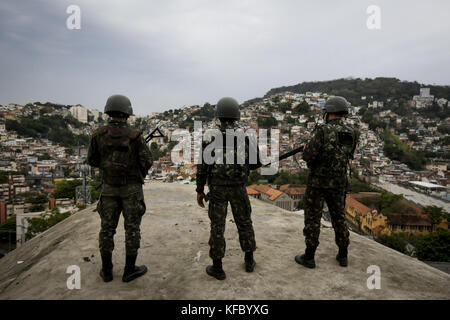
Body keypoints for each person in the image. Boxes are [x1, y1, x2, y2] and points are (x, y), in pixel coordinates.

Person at [87, 94, 153, 282]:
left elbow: (92, 160)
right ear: (127, 112)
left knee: (107, 229)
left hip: (108, 189)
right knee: (132, 230)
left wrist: (108, 165)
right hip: (131, 190)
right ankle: (129, 270)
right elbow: (147, 160)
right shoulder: (135, 136)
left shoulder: (98, 134)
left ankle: (107, 271)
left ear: (109, 111)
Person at [196, 97, 260, 280]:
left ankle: (218, 267)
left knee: (217, 227)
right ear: (236, 115)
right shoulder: (247, 136)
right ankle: (249, 261)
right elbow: (255, 164)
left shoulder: (210, 137)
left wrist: (199, 190)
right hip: (239, 188)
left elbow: (202, 167)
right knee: (245, 223)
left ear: (219, 116)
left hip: (217, 190)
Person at [295, 96, 359, 269]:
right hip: (339, 182)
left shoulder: (323, 131)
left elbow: (308, 156)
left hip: (318, 182)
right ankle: (343, 255)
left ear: (329, 112)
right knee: (339, 216)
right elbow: (349, 155)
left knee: (313, 218)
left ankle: (309, 256)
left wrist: (307, 149)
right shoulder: (352, 132)